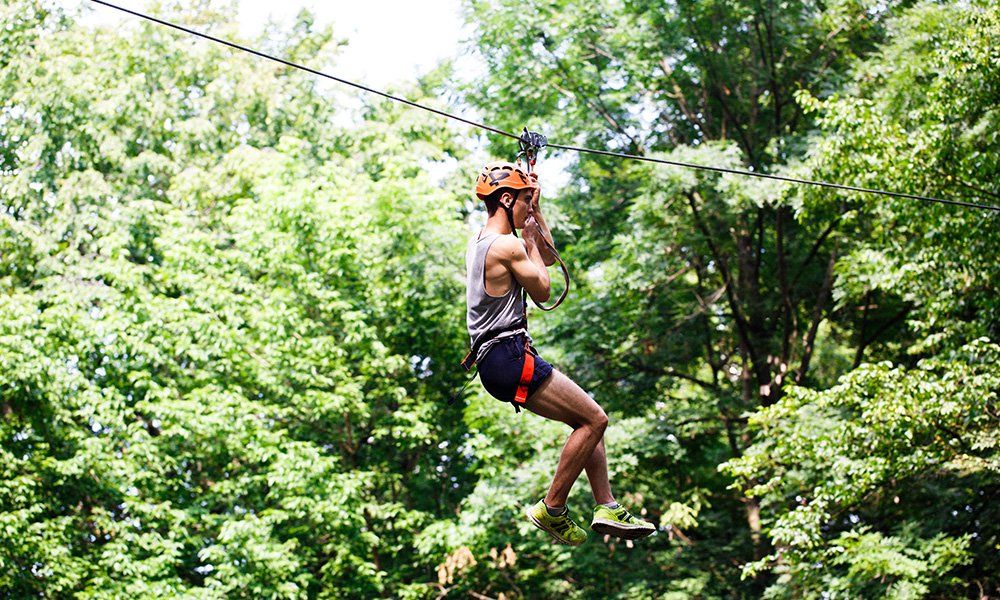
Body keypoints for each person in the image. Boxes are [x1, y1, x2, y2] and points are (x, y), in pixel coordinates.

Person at [464, 161, 655, 546]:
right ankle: (552, 508)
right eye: (523, 202)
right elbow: (544, 288)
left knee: (586, 419)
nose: (527, 209)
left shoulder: (481, 242)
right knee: (596, 419)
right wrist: (529, 236)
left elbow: (546, 258)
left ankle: (606, 505)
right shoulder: (506, 246)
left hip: (497, 362)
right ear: (506, 199)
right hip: (509, 356)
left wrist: (536, 212)